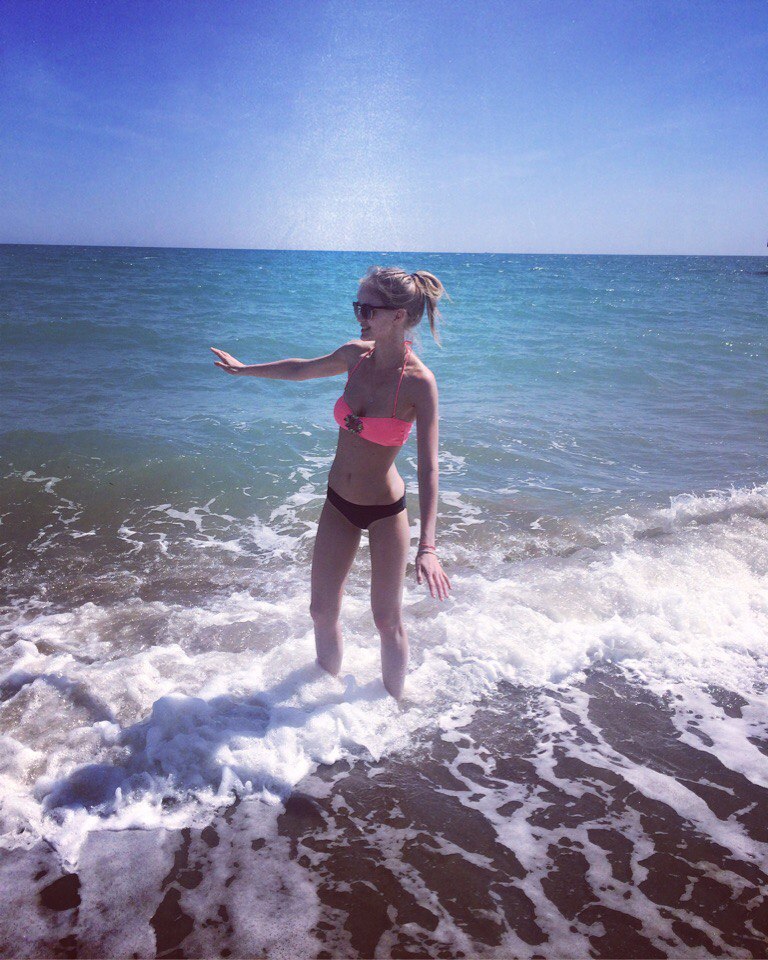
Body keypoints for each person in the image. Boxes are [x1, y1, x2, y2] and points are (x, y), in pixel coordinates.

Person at [211, 265, 452, 699]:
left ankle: (394, 707)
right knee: (321, 611)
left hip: (385, 512)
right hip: (338, 503)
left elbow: (429, 468)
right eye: (357, 306)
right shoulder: (354, 356)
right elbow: (301, 369)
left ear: (398, 316)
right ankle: (316, 705)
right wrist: (245, 370)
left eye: (368, 309)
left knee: (386, 620)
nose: (360, 316)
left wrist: (428, 547)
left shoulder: (420, 384)